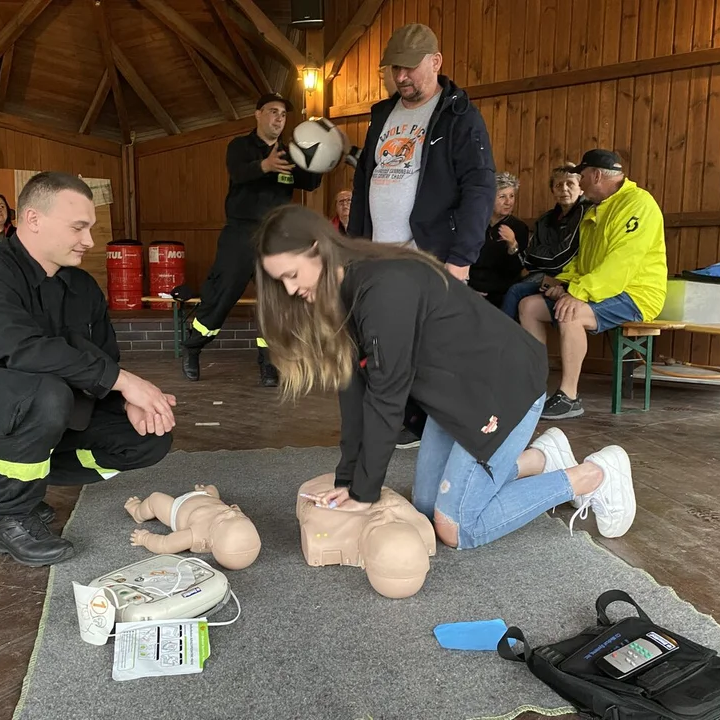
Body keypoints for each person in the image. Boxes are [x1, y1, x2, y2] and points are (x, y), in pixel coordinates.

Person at [254, 204, 637, 549]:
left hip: (503, 387)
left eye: (290, 274)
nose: (289, 289)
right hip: (454, 398)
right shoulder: (340, 293)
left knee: (458, 527)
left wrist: (364, 493)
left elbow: (386, 396)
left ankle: (594, 475)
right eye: (279, 281)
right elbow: (355, 394)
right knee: (426, 506)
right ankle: (539, 458)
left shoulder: (383, 287)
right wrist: (348, 481)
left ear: (318, 249)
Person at [0, 172, 175, 567]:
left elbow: (102, 359)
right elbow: (21, 351)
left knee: (148, 437)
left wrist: (124, 400)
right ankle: (11, 517)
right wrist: (126, 382)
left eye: (90, 228)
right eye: (78, 227)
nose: (89, 240)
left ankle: (26, 481)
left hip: (46, 413)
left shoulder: (83, 287)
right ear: (33, 220)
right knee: (41, 390)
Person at [181, 92, 325, 387]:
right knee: (221, 295)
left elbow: (309, 183)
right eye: (272, 111)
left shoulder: (288, 153)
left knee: (274, 302)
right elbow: (239, 172)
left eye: (283, 114)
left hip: (276, 237)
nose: (278, 118)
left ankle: (269, 363)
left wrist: (318, 158)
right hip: (240, 233)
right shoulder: (240, 146)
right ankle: (192, 348)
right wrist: (265, 166)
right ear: (258, 115)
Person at [519, 149, 667, 420]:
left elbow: (621, 264)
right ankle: (535, 388)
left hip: (636, 293)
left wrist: (575, 293)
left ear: (597, 175)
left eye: (582, 177)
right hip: (601, 289)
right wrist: (563, 283)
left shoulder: (638, 204)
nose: (581, 184)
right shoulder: (595, 210)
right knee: (529, 306)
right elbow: (583, 262)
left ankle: (569, 396)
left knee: (569, 312)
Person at [347, 23, 496, 281]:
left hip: (430, 260)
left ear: (436, 61)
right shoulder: (382, 115)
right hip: (375, 257)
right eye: (395, 68)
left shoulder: (460, 117)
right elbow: (362, 183)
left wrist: (462, 258)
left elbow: (479, 187)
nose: (402, 76)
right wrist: (352, 246)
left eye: (410, 67)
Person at [501, 164, 590, 320]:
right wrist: (542, 257)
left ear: (581, 188)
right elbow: (529, 261)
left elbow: (560, 258)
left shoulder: (584, 213)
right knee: (509, 287)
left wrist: (539, 256)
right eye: (558, 185)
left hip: (571, 279)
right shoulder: (545, 220)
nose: (564, 189)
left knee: (516, 290)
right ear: (553, 191)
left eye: (570, 183)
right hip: (544, 275)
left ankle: (503, 341)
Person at [468, 172, 529, 308]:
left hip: (502, 292)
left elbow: (517, 269)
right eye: (502, 196)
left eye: (511, 196)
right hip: (471, 288)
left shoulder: (518, 227)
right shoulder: (475, 223)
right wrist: (469, 288)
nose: (509, 202)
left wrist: (513, 244)